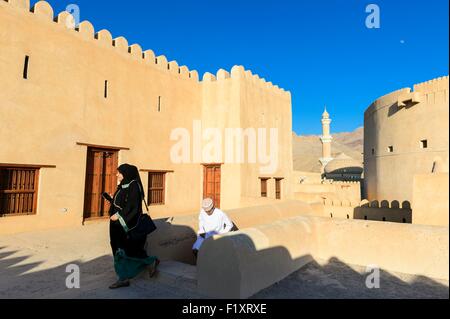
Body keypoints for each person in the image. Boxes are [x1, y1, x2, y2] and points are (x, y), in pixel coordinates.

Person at [104, 163, 159, 289]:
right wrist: (112, 199)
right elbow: (123, 202)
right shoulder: (123, 185)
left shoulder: (134, 186)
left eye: (119, 172)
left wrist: (119, 216)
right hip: (116, 224)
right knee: (118, 248)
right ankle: (122, 276)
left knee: (127, 249)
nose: (116, 174)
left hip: (125, 224)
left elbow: (133, 206)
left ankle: (148, 263)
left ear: (126, 173)